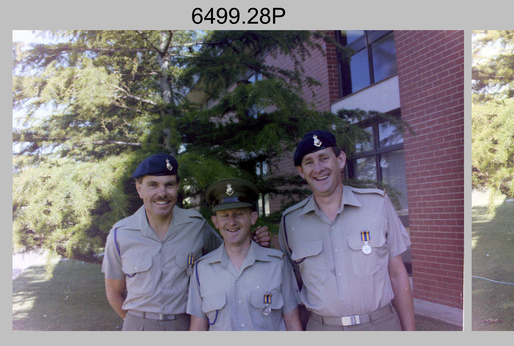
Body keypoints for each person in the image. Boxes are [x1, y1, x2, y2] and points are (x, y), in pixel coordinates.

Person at [102, 153, 271, 331]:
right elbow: (114, 293)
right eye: (153, 185)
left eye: (169, 185)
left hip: (185, 323)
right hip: (139, 324)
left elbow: (226, 258)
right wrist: (138, 324)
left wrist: (251, 241)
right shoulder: (121, 233)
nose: (162, 193)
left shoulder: (195, 225)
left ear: (177, 186)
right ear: (139, 189)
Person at [278, 130, 415, 331]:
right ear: (301, 171)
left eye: (324, 158)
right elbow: (293, 284)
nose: (318, 168)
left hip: (379, 327)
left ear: (340, 160)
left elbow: (396, 273)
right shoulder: (291, 222)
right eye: (309, 162)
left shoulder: (377, 204)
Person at [187, 178, 302, 331]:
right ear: (215, 221)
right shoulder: (202, 269)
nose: (232, 222)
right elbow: (197, 328)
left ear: (252, 218)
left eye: (239, 214)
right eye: (224, 216)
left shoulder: (277, 264)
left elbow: (293, 324)